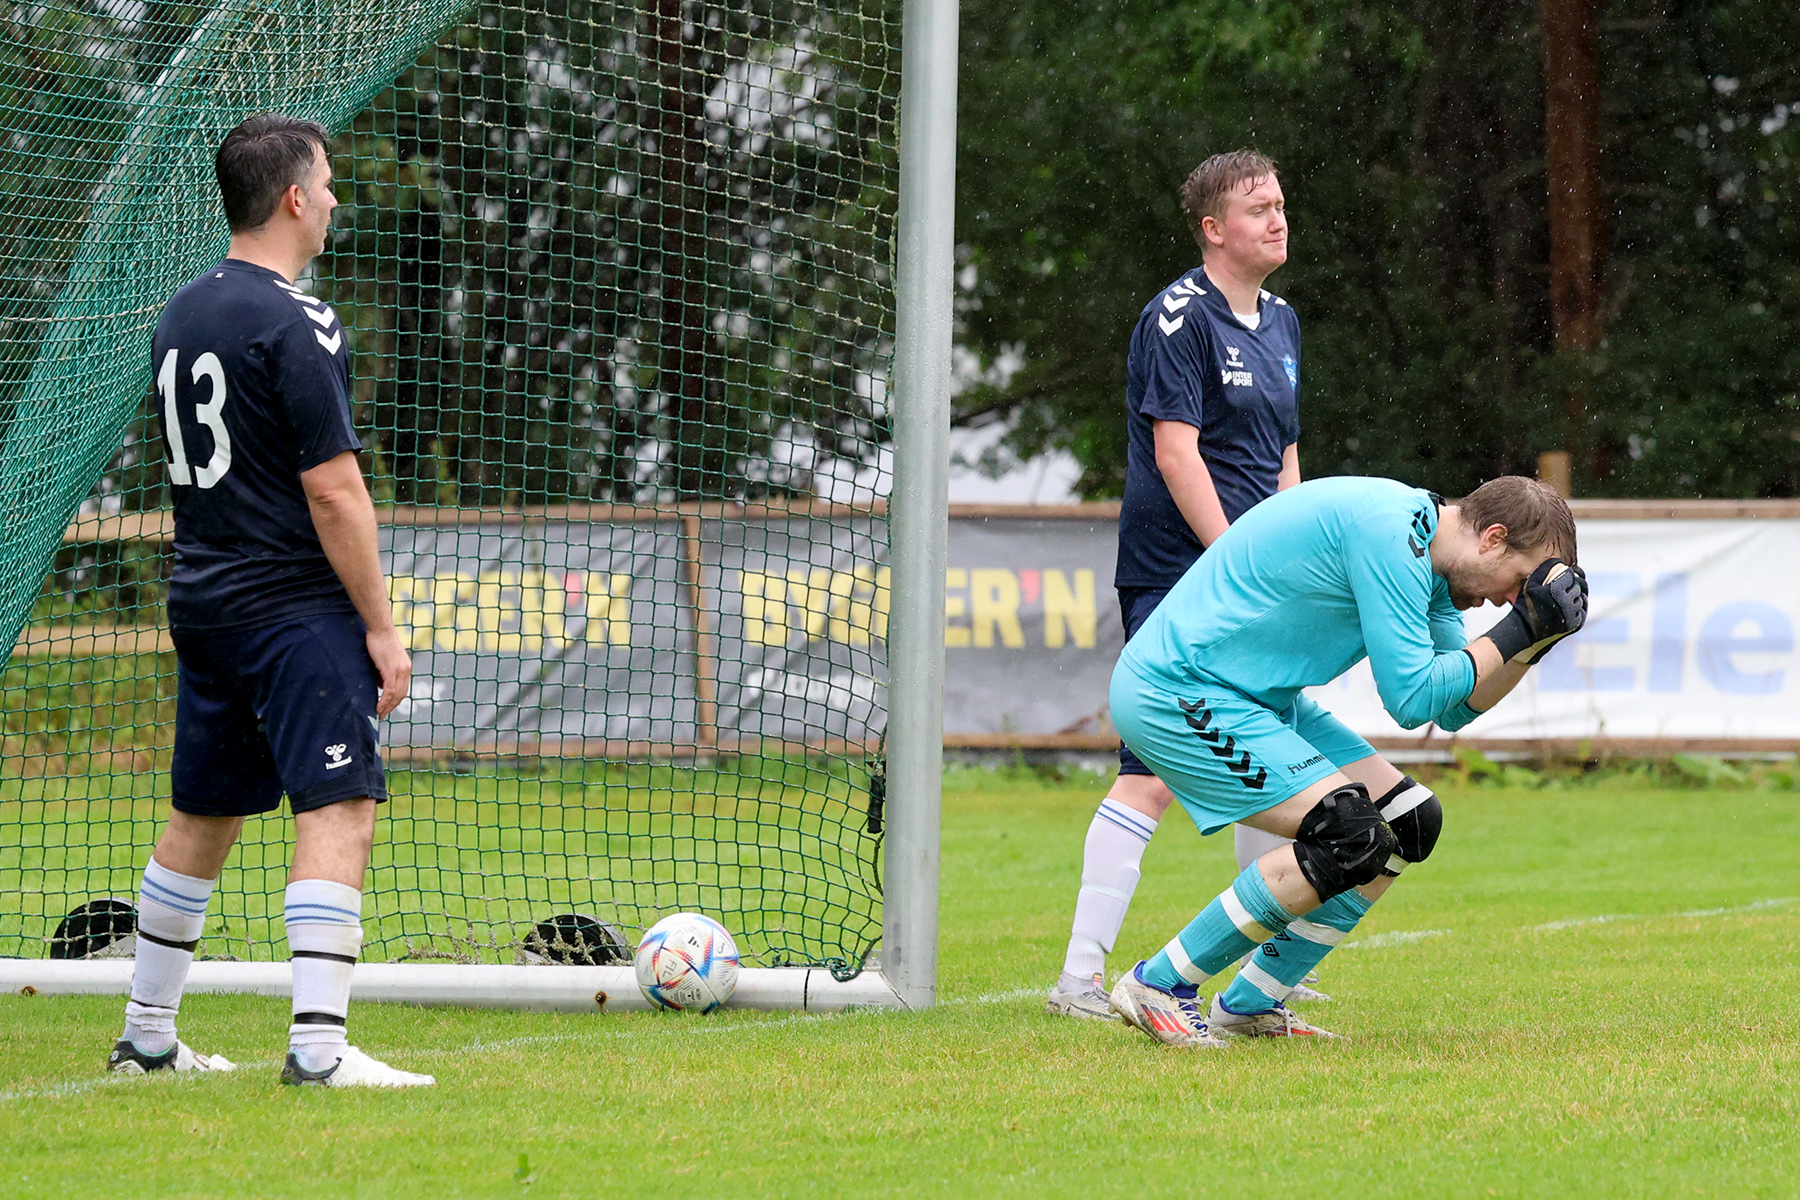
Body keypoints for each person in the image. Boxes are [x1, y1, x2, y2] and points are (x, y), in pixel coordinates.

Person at [107, 114, 432, 1087]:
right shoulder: (301, 318)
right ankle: (321, 1052)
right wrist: (379, 627)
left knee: (202, 816)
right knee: (339, 806)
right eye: (326, 183)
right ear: (294, 197)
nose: (333, 198)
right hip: (291, 606)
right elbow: (333, 489)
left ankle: (147, 1039)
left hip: (202, 600)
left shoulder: (180, 314)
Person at [1104, 475, 1586, 1044]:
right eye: (1520, 585)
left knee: (1410, 821)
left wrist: (1534, 643)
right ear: (1494, 539)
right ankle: (1157, 984)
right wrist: (1518, 628)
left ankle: (1252, 1004)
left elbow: (1454, 708)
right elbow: (1413, 699)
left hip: (1255, 699)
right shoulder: (1391, 535)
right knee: (1349, 833)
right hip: (1180, 690)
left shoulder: (1430, 554)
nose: (1512, 600)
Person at [1048, 150, 1313, 1019]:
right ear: (1212, 229)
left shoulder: (1283, 323)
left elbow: (1282, 460)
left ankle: (1252, 990)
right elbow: (1176, 452)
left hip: (1252, 584)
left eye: (1279, 204)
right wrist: (1238, 563)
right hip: (1179, 577)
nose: (1276, 219)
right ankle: (1080, 981)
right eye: (1255, 208)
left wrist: (1295, 565)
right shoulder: (1177, 317)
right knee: (1153, 774)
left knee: (1270, 768)